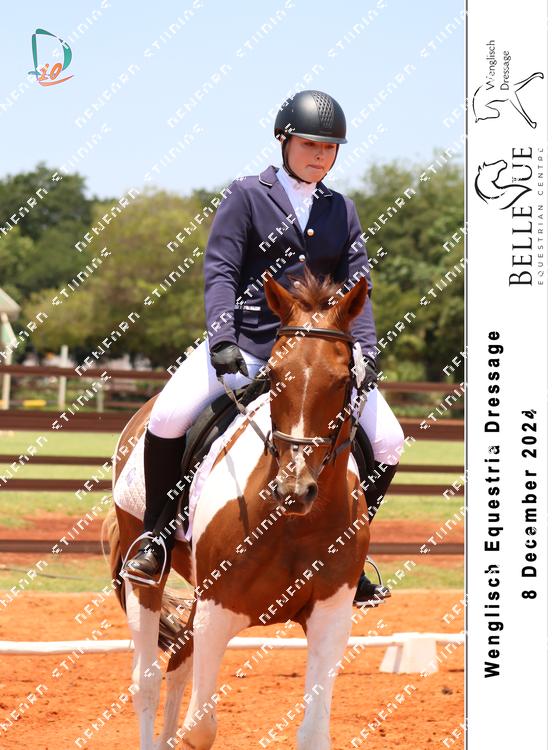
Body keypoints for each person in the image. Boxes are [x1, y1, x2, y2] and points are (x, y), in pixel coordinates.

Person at [122, 90, 405, 605]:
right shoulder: (247, 195)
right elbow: (221, 271)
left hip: (317, 358)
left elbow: (357, 285)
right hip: (248, 345)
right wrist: (221, 339)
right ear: (283, 141)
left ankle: (349, 550)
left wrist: (364, 349)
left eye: (329, 147)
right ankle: (156, 537)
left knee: (389, 440)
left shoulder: (341, 209)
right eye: (310, 144)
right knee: (168, 417)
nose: (320, 155)